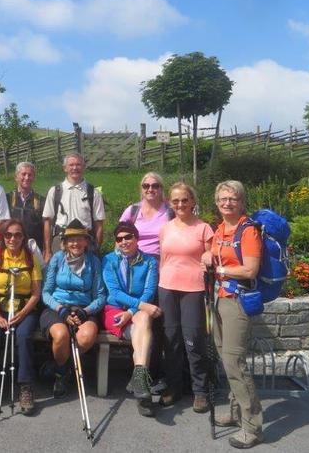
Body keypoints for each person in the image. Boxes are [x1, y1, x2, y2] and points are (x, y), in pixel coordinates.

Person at [205, 180, 264, 449]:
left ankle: (252, 427)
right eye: (223, 199)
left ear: (241, 202)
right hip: (219, 300)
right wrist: (207, 256)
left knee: (234, 362)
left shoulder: (248, 230)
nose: (227, 203)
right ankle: (235, 412)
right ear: (217, 202)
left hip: (237, 301)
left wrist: (221, 271)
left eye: (233, 199)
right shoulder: (220, 229)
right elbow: (217, 255)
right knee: (225, 358)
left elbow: (250, 270)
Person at [0, 219, 42, 414]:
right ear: (3, 237)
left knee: (23, 335)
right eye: (8, 235)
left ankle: (25, 386)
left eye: (18, 235)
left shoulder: (30, 258)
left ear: (23, 237)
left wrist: (22, 314)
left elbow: (36, 293)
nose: (13, 239)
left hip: (24, 308)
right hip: (0, 308)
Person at [158, 182, 214, 412]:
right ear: (170, 203)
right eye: (175, 201)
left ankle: (200, 391)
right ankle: (174, 386)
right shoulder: (166, 228)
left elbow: (211, 255)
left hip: (193, 289)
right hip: (167, 287)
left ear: (192, 201)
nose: (180, 204)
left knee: (193, 339)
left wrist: (209, 254)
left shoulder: (204, 228)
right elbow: (164, 259)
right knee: (170, 339)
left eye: (184, 200)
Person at [41, 219, 106, 398]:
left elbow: (100, 296)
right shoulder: (57, 259)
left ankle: (59, 367)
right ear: (65, 242)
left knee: (86, 337)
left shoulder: (94, 261)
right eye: (71, 239)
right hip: (57, 306)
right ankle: (62, 374)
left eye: (79, 239)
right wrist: (60, 309)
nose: (75, 243)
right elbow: (46, 292)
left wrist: (85, 312)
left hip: (84, 308)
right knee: (61, 335)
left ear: (86, 241)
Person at [101, 222, 160, 417]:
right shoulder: (109, 260)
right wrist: (139, 307)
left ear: (137, 238)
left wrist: (133, 311)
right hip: (114, 310)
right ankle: (143, 394)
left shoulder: (149, 261)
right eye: (119, 239)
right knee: (143, 335)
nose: (124, 241)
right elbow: (115, 292)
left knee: (143, 322)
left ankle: (140, 381)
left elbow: (149, 291)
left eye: (128, 237)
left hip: (136, 312)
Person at [42, 153, 105, 263]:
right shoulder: (55, 191)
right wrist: (47, 251)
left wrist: (96, 249)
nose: (75, 168)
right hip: (60, 241)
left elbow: (99, 225)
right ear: (65, 168)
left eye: (78, 165)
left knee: (86, 273)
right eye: (71, 165)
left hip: (85, 241)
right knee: (58, 272)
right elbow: (48, 222)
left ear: (84, 167)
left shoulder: (93, 193)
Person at [119, 172, 173, 261]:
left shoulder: (170, 212)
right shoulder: (132, 211)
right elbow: (119, 238)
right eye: (146, 186)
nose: (150, 189)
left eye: (155, 186)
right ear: (142, 189)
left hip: (161, 260)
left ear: (161, 189)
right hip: (134, 261)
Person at [6, 162, 45, 251]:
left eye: (30, 175)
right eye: (23, 174)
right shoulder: (7, 198)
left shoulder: (41, 201)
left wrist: (46, 249)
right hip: (11, 247)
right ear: (16, 177)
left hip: (34, 249)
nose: (27, 178)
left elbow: (45, 227)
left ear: (34, 178)